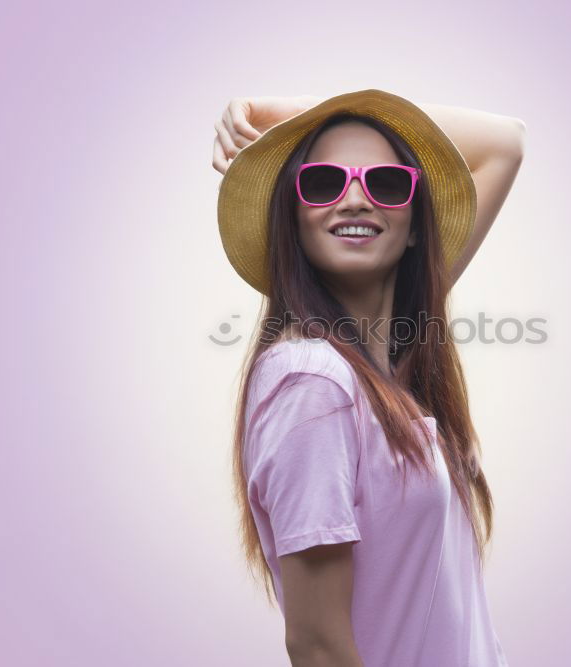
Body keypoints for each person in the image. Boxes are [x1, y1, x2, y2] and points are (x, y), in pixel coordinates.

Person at [213, 89, 525, 666]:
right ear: (294, 221)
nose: (355, 198)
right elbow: (319, 647)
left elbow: (505, 142)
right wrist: (296, 131)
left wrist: (286, 113)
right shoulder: (314, 380)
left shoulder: (391, 359)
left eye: (384, 184)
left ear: (412, 228)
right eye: (324, 182)